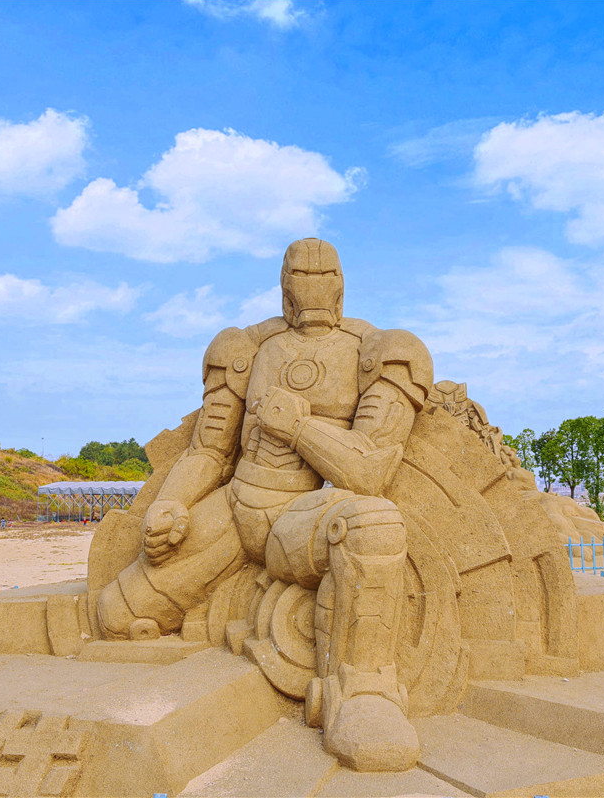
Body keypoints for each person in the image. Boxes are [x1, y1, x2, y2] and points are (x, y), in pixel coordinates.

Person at [98, 238, 431, 771]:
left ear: (342, 283)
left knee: (373, 526)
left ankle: (364, 692)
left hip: (296, 514)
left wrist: (299, 428)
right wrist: (172, 504)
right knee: (117, 616)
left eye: (325, 273)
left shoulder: (384, 350)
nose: (313, 284)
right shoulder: (245, 347)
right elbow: (208, 449)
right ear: (283, 284)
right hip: (234, 507)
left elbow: (368, 473)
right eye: (300, 273)